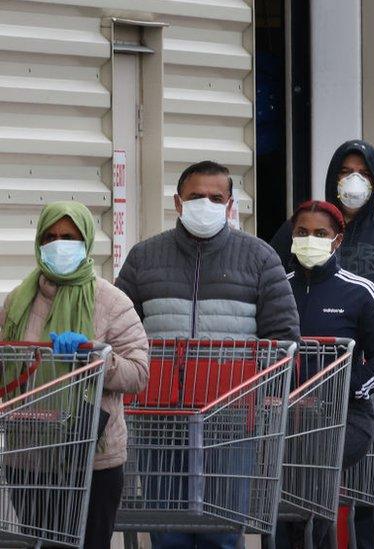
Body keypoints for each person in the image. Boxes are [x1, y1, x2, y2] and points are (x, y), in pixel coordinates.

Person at [117, 161, 300, 549]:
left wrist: (264, 396)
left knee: (222, 534)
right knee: (168, 534)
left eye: (215, 198)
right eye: (196, 196)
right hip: (157, 420)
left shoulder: (260, 258)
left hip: (230, 422)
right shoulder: (143, 258)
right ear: (178, 203)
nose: (206, 204)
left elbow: (283, 337)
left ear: (230, 204)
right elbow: (121, 332)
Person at [269, 140, 374, 549]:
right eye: (345, 171)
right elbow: (270, 292)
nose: (353, 180)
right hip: (302, 387)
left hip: (373, 379)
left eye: (362, 172)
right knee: (301, 483)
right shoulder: (298, 230)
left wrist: (370, 339)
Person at [0, 201, 149, 548]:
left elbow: (138, 374)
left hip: (93, 459)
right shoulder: (17, 302)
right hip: (30, 456)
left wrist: (95, 357)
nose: (59, 244)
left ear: (85, 242)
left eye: (69, 236)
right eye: (50, 236)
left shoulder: (111, 301)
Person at [274, 200, 374, 548]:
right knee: (280, 493)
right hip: (287, 418)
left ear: (337, 240)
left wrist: (345, 390)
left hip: (345, 419)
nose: (309, 239)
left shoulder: (361, 291)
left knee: (310, 471)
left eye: (320, 233)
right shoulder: (277, 288)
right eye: (302, 232)